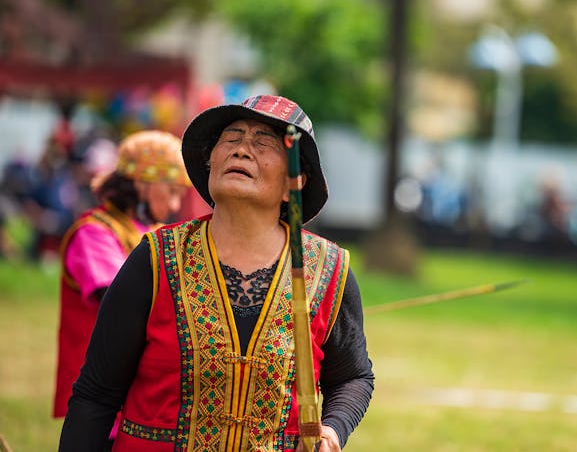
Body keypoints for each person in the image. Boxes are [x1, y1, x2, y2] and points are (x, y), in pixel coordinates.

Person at [59, 95, 375, 452]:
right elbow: (96, 394)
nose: (242, 150)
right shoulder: (156, 259)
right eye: (231, 138)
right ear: (210, 163)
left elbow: (353, 376)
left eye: (264, 142)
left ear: (296, 181)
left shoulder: (329, 271)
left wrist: (332, 431)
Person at [53, 130, 190, 423]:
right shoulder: (93, 233)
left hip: (141, 393)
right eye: (172, 191)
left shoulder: (154, 234)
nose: (176, 205)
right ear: (142, 184)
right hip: (100, 393)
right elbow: (125, 304)